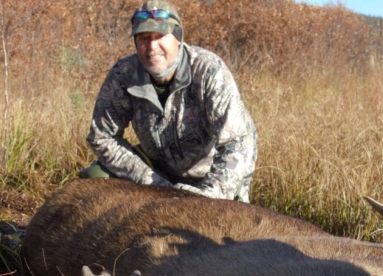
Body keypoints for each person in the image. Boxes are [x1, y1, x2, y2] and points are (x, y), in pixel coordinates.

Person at [82, 1, 257, 202]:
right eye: (144, 38)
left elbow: (238, 142)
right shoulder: (123, 75)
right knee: (96, 175)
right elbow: (101, 136)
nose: (151, 47)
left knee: (230, 222)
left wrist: (211, 195)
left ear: (178, 38)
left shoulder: (208, 70)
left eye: (160, 36)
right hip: (159, 171)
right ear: (136, 42)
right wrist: (153, 182)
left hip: (212, 173)